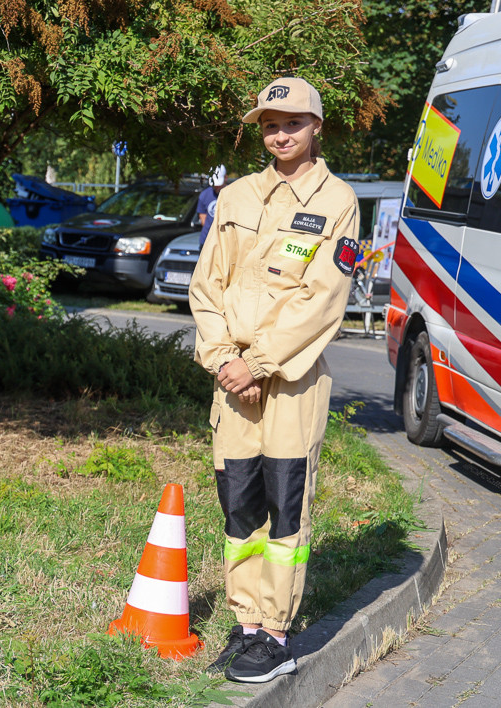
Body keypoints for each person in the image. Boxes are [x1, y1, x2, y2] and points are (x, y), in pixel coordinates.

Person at [188, 78, 360, 683]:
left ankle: (279, 635)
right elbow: (205, 288)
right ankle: (247, 627)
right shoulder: (234, 197)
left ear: (317, 128)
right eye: (269, 124)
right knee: (239, 506)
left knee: (285, 510)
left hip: (291, 382)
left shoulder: (337, 200)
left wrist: (256, 363)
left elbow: (322, 299)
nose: (280, 134)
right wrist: (224, 364)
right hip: (232, 381)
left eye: (292, 123)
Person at [196, 164, 226, 248]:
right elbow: (202, 217)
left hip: (224, 242)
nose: (216, 186)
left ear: (225, 178)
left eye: (218, 184)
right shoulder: (204, 195)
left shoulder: (231, 194)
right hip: (206, 240)